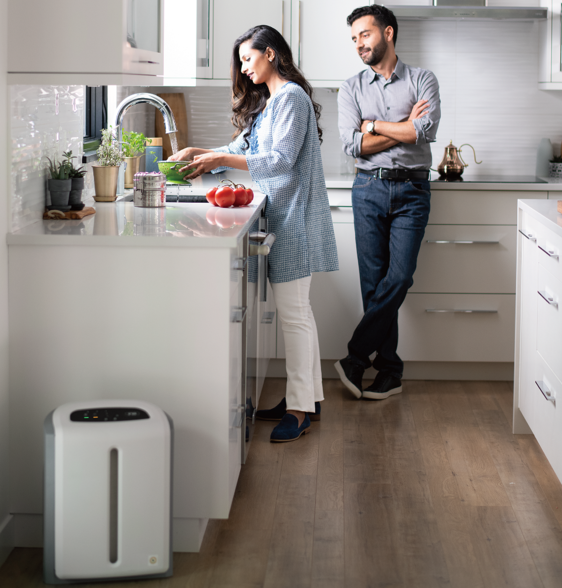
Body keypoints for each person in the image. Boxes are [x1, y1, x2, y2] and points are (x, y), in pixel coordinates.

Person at [170, 25, 338, 442]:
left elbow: (278, 160)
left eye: (248, 58)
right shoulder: (272, 102)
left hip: (294, 216)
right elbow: (246, 152)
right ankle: (308, 398)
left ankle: (298, 410)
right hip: (282, 214)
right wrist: (199, 154)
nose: (244, 69)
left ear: (272, 54)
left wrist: (218, 158)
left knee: (295, 314)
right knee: (299, 313)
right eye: (241, 62)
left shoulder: (292, 99)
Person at [335, 4, 441, 400]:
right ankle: (390, 370)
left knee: (398, 278)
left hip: (412, 190)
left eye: (365, 34)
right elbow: (352, 145)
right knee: (374, 284)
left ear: (388, 33)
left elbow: (424, 130)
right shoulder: (351, 87)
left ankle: (356, 357)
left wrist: (374, 125)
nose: (359, 43)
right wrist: (402, 128)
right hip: (368, 190)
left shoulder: (422, 79)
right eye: (355, 38)